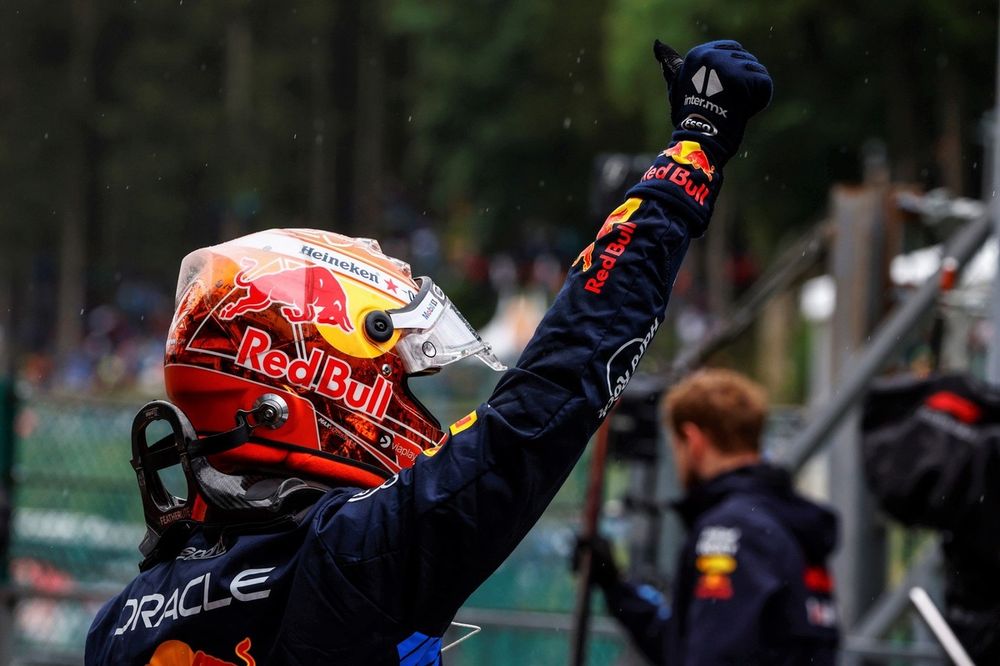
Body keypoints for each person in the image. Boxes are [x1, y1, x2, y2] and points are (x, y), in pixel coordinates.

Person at [85, 39, 772, 665]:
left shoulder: (120, 622)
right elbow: (542, 404)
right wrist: (693, 155)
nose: (408, 403)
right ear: (311, 377)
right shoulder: (339, 562)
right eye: (398, 376)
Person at [585, 369, 840, 664]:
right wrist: (615, 587)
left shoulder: (731, 531)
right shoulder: (786, 521)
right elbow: (683, 645)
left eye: (676, 448)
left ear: (693, 441)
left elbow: (712, 656)